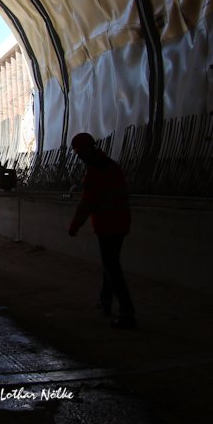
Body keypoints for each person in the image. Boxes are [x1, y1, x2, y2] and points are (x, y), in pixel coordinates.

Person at [67, 132, 136, 329]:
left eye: (79, 152)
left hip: (108, 225)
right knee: (110, 265)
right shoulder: (110, 165)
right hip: (120, 223)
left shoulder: (97, 171)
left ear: (86, 150)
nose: (79, 156)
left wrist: (74, 225)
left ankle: (127, 313)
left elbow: (87, 202)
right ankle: (105, 302)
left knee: (112, 269)